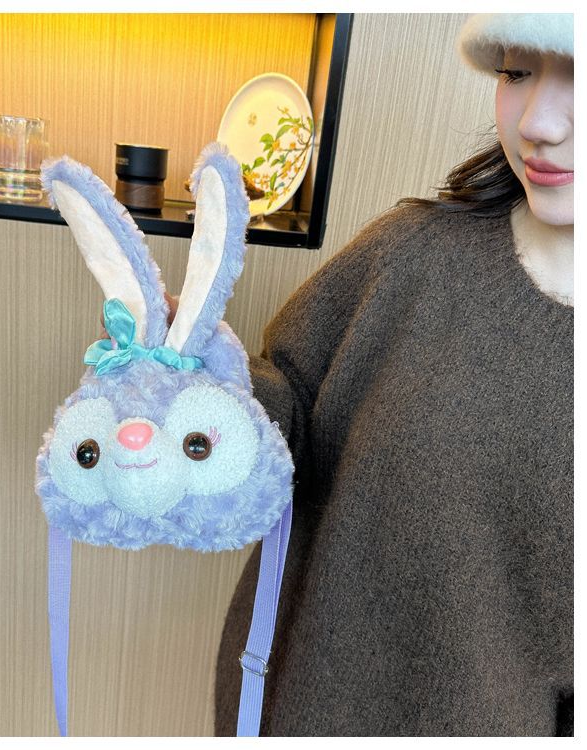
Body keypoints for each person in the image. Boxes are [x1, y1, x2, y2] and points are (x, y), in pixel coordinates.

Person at [213, 13, 573, 736]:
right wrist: (199, 379)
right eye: (516, 71)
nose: (537, 123)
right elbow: (286, 414)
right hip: (297, 706)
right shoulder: (413, 255)